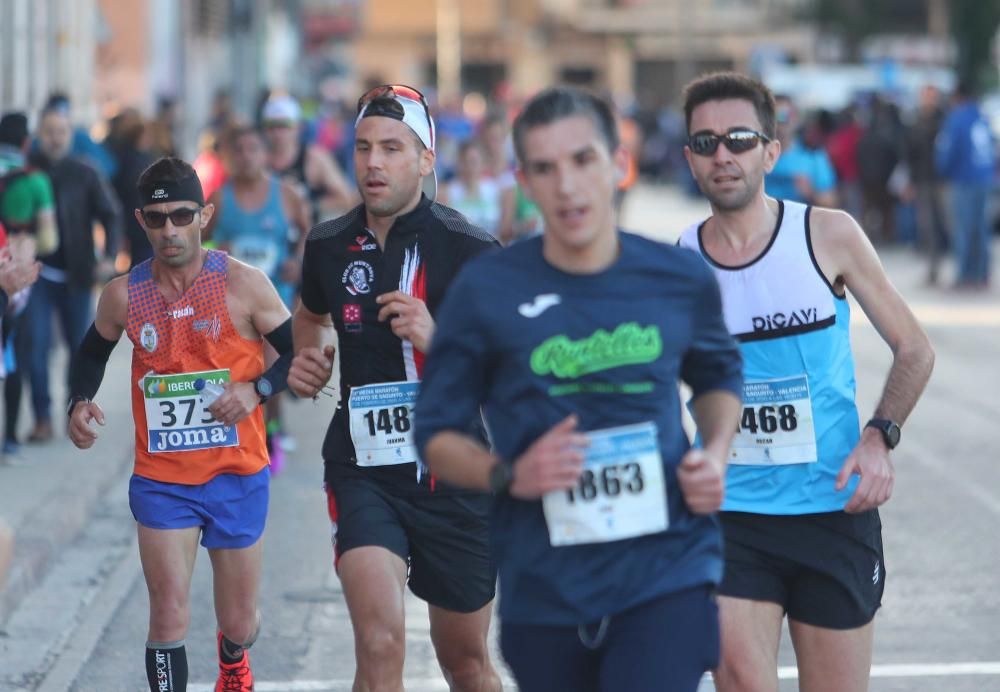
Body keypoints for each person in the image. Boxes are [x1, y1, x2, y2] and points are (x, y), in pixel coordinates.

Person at [415, 86, 744, 692]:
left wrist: (715, 452)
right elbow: (435, 435)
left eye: (583, 160)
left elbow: (719, 376)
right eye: (545, 168)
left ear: (619, 166)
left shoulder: (676, 277)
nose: (566, 185)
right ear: (523, 181)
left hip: (666, 567)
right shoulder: (487, 290)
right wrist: (508, 474)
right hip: (546, 584)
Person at [678, 71, 935, 692]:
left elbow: (914, 350)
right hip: (730, 519)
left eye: (739, 139)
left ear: (772, 148)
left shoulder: (828, 234)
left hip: (832, 510)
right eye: (705, 142)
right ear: (688, 158)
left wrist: (879, 437)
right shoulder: (678, 265)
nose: (723, 155)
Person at [287, 84, 502, 692]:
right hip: (364, 469)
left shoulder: (471, 249)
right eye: (362, 149)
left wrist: (442, 340)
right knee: (379, 643)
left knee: (465, 662)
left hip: (454, 475)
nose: (373, 163)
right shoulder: (330, 245)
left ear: (427, 159)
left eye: (391, 148)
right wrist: (311, 356)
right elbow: (309, 316)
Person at [66, 156, 295, 692]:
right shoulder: (123, 294)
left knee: (239, 620)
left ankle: (233, 655)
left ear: (205, 215)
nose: (169, 229)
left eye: (182, 215)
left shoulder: (245, 285)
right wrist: (79, 399)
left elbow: (301, 355)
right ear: (141, 220)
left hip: (236, 474)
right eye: (157, 217)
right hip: (163, 479)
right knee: (167, 615)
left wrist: (255, 389)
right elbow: (91, 352)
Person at [16, 103, 122, 445]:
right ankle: (43, 417)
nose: (55, 138)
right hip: (38, 274)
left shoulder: (85, 171)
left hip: (77, 275)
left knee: (81, 347)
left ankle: (72, 412)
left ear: (70, 135)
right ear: (38, 136)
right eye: (48, 132)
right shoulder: (27, 172)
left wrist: (108, 256)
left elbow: (111, 214)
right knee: (36, 346)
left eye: (61, 132)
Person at [207, 124, 310, 468]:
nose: (247, 156)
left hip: (274, 298)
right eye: (240, 150)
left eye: (254, 149)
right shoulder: (220, 198)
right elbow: (194, 242)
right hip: (228, 303)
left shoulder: (286, 195)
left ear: (266, 155)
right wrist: (213, 248)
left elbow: (309, 236)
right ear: (231, 157)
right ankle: (233, 433)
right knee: (236, 369)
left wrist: (297, 261)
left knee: (271, 362)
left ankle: (272, 430)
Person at [936, 80, 996, 290]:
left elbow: (949, 151)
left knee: (962, 228)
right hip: (984, 179)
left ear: (957, 97)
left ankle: (965, 274)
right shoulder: (982, 117)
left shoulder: (957, 118)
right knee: (981, 228)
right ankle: (983, 273)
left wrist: (942, 173)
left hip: (962, 180)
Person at [261, 94, 357, 223]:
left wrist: (311, 206)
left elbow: (345, 198)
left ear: (298, 127)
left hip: (306, 237)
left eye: (284, 125)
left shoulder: (314, 158)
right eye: (272, 125)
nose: (278, 132)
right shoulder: (257, 159)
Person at [765, 96, 837, 208]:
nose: (779, 123)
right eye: (772, 117)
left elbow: (831, 201)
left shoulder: (813, 155)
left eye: (784, 115)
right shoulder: (756, 154)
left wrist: (810, 192)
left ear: (796, 119)